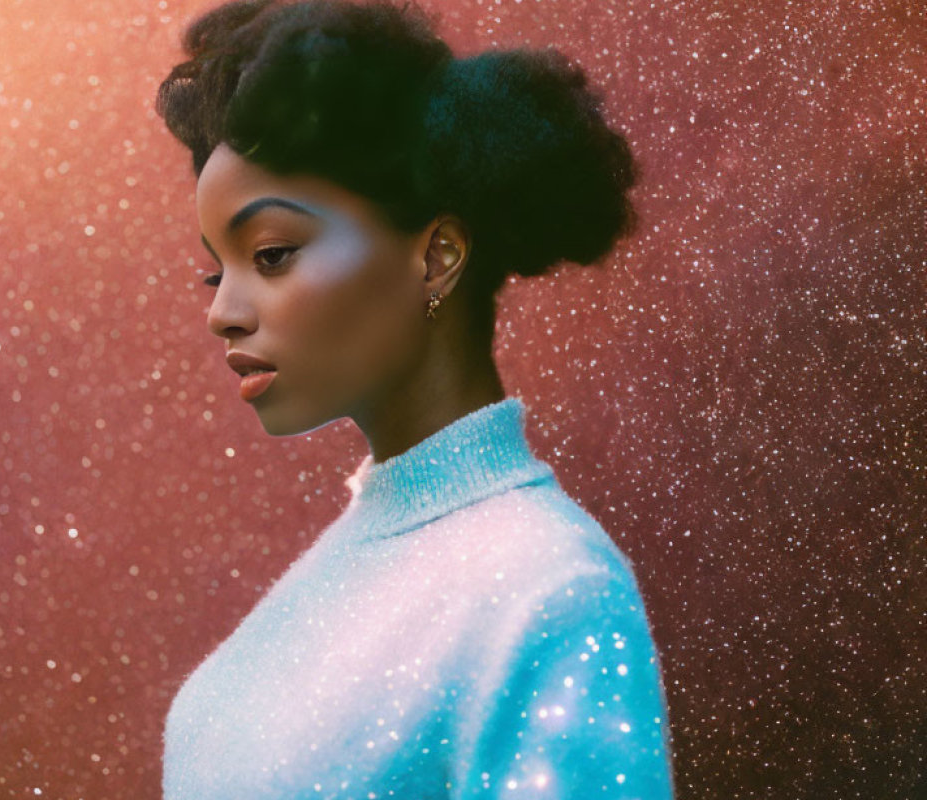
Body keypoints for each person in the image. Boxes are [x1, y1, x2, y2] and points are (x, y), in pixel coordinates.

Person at [155, 0, 675, 797]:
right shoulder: (348, 567)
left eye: (271, 253)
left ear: (436, 256)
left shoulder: (552, 590)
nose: (221, 309)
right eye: (213, 270)